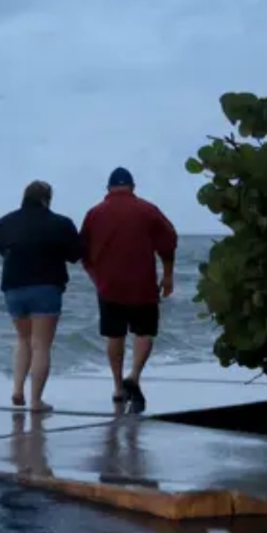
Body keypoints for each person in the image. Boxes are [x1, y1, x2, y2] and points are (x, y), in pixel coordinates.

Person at [80, 167, 178, 413]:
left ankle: (117, 387)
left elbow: (83, 252)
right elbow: (169, 242)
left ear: (108, 189)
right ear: (133, 187)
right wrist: (167, 276)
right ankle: (134, 376)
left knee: (115, 336)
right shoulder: (147, 210)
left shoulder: (94, 213)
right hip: (143, 284)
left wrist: (97, 278)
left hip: (109, 286)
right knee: (144, 333)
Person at [0, 180, 81, 412]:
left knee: (23, 340)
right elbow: (75, 254)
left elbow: (3, 249)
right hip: (46, 286)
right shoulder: (60, 223)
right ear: (47, 199)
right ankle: (36, 401)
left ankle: (17, 389)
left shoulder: (3, 223)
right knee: (41, 344)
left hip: (13, 287)